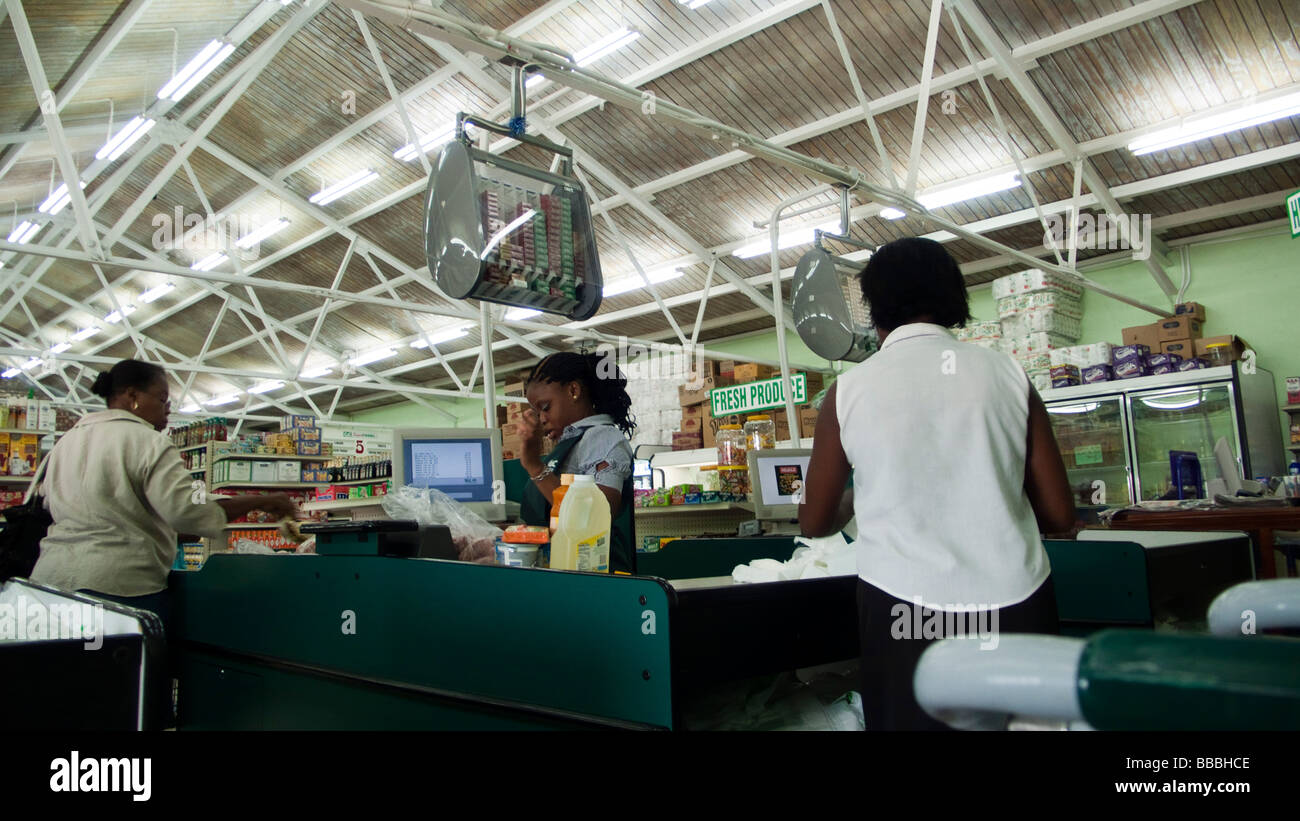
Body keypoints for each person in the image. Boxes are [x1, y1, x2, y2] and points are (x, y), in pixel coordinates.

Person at [798, 237, 1076, 731]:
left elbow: (816, 520)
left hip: (902, 608)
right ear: (954, 298)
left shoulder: (847, 391)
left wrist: (861, 495)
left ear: (873, 308)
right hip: (1017, 602)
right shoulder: (1008, 373)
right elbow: (1058, 515)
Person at [30, 359, 299, 635]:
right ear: (132, 396)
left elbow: (65, 508)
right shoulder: (148, 441)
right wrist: (262, 500)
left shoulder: (66, 442)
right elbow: (187, 511)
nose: (167, 410)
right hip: (119, 591)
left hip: (50, 584)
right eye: (162, 399)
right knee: (129, 675)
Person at [517, 351, 637, 574]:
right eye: (535, 411)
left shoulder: (602, 438)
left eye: (545, 407)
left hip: (597, 577)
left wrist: (535, 466)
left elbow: (597, 514)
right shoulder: (570, 445)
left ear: (573, 390)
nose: (541, 418)